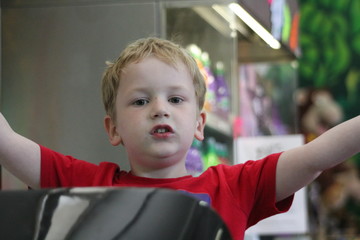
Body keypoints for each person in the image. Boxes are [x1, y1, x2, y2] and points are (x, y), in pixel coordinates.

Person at [1, 37, 360, 240]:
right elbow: (8, 143)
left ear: (200, 124)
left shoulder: (235, 187)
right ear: (113, 129)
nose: (160, 109)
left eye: (175, 99)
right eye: (140, 101)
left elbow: (316, 157)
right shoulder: (87, 185)